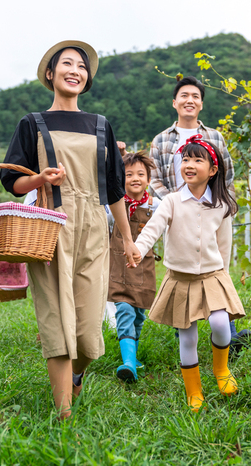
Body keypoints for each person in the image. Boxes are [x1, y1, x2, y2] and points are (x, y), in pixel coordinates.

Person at [0, 40, 140, 420]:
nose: (75, 70)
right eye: (66, 64)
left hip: (95, 226)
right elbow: (11, 180)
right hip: (50, 225)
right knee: (56, 318)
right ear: (50, 74)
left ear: (87, 78)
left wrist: (127, 238)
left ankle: (78, 374)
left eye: (81, 66)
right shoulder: (32, 123)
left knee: (88, 325)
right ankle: (63, 417)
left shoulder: (100, 125)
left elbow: (113, 188)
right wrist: (39, 178)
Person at [129, 135, 245, 412]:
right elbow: (152, 229)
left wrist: (225, 280)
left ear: (213, 170)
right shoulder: (171, 201)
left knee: (220, 323)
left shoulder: (222, 205)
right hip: (180, 278)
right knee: (188, 336)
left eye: (197, 160)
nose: (189, 164)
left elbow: (224, 247)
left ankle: (221, 370)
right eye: (186, 159)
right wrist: (137, 248)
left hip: (212, 275)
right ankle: (194, 391)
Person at [149, 75, 250, 355]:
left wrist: (221, 202)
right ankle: (186, 328)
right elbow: (154, 177)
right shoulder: (160, 140)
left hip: (211, 211)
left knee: (217, 266)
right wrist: (172, 202)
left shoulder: (214, 137)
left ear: (201, 104)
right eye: (184, 95)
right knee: (181, 270)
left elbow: (227, 173)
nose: (189, 100)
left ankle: (227, 334)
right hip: (178, 214)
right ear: (174, 102)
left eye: (195, 96)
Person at [106, 150, 160, 383]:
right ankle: (127, 362)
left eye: (141, 174)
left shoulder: (155, 206)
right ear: (120, 179)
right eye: (129, 174)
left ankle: (133, 356)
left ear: (148, 179)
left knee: (138, 315)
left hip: (144, 269)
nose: (135, 178)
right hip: (118, 269)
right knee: (125, 311)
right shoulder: (112, 209)